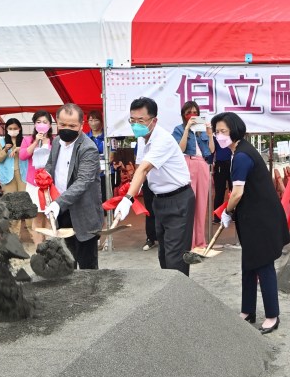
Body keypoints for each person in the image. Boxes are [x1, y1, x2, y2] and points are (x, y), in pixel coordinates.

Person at [213, 112, 290, 334]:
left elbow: (236, 193)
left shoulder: (242, 156)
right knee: (249, 264)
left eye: (223, 131)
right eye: (217, 132)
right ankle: (247, 310)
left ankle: (272, 316)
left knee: (263, 264)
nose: (219, 136)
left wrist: (226, 212)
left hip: (261, 219)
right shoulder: (238, 152)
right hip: (251, 218)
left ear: (235, 131)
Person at [115, 97, 194, 276]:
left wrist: (128, 199)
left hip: (178, 200)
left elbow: (143, 169)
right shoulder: (143, 139)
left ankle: (180, 300)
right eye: (132, 121)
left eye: (140, 121)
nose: (136, 125)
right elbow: (138, 171)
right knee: (164, 255)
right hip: (159, 200)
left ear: (154, 120)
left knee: (176, 258)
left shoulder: (162, 139)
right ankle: (169, 298)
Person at [42, 103, 104, 269]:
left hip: (84, 213)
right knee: (67, 260)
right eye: (62, 124)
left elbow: (83, 181)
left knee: (87, 267)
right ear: (56, 122)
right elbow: (51, 165)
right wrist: (45, 175)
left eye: (72, 125)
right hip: (62, 211)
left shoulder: (88, 148)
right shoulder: (56, 142)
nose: (66, 129)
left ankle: (90, 295)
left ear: (81, 125)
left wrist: (58, 203)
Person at [172, 101, 212, 248]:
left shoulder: (201, 130)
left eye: (195, 112)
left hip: (202, 164)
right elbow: (179, 149)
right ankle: (189, 241)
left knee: (202, 204)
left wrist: (210, 134)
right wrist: (187, 129)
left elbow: (211, 151)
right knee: (188, 204)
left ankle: (200, 242)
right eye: (189, 112)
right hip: (186, 163)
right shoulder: (178, 129)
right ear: (183, 114)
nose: (192, 115)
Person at [19, 110, 54, 247]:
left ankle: (49, 244)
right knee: (38, 215)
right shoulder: (28, 139)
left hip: (50, 183)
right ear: (34, 124)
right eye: (38, 122)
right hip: (34, 183)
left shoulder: (54, 140)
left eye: (45, 122)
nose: (41, 125)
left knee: (49, 214)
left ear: (50, 125)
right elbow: (22, 156)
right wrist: (36, 142)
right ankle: (39, 245)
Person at [0, 118, 29, 238]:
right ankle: (14, 236)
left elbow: (30, 154)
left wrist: (21, 150)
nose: (13, 130)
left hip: (23, 175)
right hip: (8, 177)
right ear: (6, 130)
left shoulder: (25, 140)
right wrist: (5, 149)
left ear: (20, 129)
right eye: (10, 128)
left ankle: (33, 234)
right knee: (11, 206)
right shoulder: (2, 141)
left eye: (15, 128)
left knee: (25, 204)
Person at [207, 122, 232, 225]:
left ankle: (234, 214)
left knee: (233, 190)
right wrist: (210, 163)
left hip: (232, 163)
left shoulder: (232, 136)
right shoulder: (215, 137)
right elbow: (211, 151)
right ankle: (217, 216)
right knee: (219, 192)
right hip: (220, 165)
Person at [85, 110, 111, 202]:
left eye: (96, 120)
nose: (93, 123)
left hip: (106, 173)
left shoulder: (108, 136)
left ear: (101, 121)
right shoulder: (85, 138)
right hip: (90, 173)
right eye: (90, 120)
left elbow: (112, 154)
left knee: (105, 200)